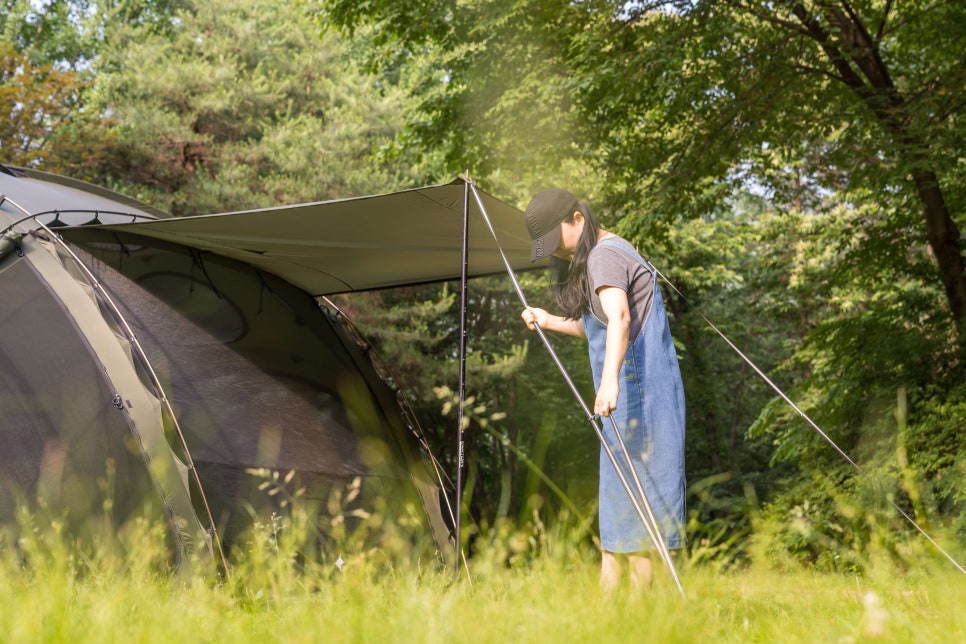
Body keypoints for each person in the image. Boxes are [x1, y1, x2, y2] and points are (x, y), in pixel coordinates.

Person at [519, 188, 686, 593]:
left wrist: (610, 379)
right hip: (622, 398)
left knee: (641, 508)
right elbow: (598, 325)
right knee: (618, 508)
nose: (555, 252)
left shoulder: (604, 255)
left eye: (556, 239)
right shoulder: (603, 253)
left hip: (638, 395)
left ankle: (636, 618)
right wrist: (550, 319)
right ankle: (608, 618)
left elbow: (621, 317)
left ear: (578, 218)